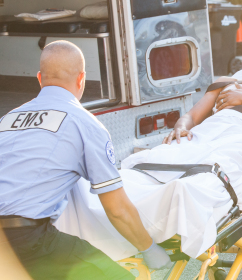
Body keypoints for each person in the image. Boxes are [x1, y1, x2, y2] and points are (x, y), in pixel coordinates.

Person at [54, 29, 242, 260]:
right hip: (206, 134)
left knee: (193, 180)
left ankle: (174, 203)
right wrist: (181, 128)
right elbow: (193, 116)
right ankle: (107, 206)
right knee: (146, 168)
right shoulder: (227, 82)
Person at [0, 41, 171, 280]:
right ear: (81, 79)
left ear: (40, 78)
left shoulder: (7, 119)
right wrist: (150, 248)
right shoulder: (84, 123)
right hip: (26, 240)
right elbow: (117, 209)